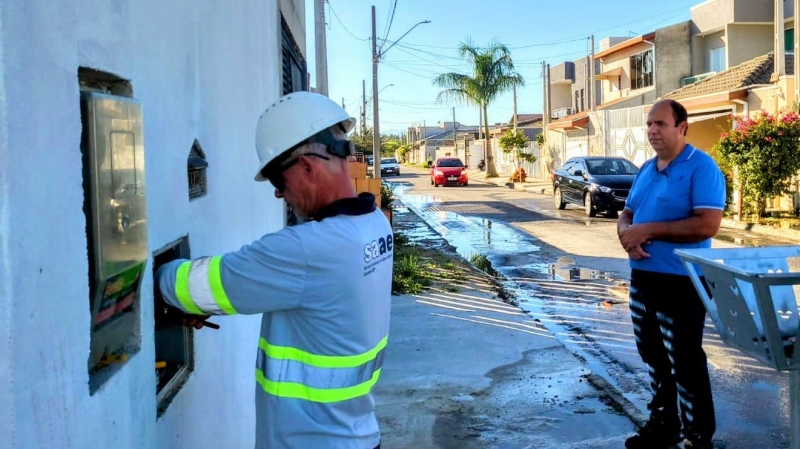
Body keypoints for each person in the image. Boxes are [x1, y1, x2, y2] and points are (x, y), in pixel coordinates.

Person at [154, 91, 393, 449]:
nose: (279, 195)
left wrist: (157, 273)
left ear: (308, 168)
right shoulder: (375, 225)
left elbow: (193, 286)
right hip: (357, 434)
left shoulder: (308, 249)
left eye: (278, 182)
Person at [617, 99, 725, 449]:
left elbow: (707, 225)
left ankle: (698, 438)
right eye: (649, 124)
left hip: (681, 282)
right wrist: (627, 235)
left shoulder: (701, 167)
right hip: (642, 280)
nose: (652, 130)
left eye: (661, 124)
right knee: (654, 357)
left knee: (685, 362)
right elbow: (627, 213)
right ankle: (664, 426)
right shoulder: (647, 168)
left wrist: (646, 231)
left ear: (682, 127)